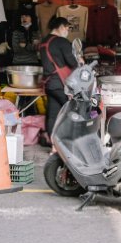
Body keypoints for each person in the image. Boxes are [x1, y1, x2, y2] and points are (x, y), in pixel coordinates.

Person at [39, 16, 81, 147]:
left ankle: (53, 145)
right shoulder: (62, 42)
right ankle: (74, 143)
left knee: (52, 114)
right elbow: (72, 62)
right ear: (62, 27)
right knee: (74, 112)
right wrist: (79, 60)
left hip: (49, 84)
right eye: (67, 28)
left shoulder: (43, 42)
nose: (67, 31)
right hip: (62, 84)